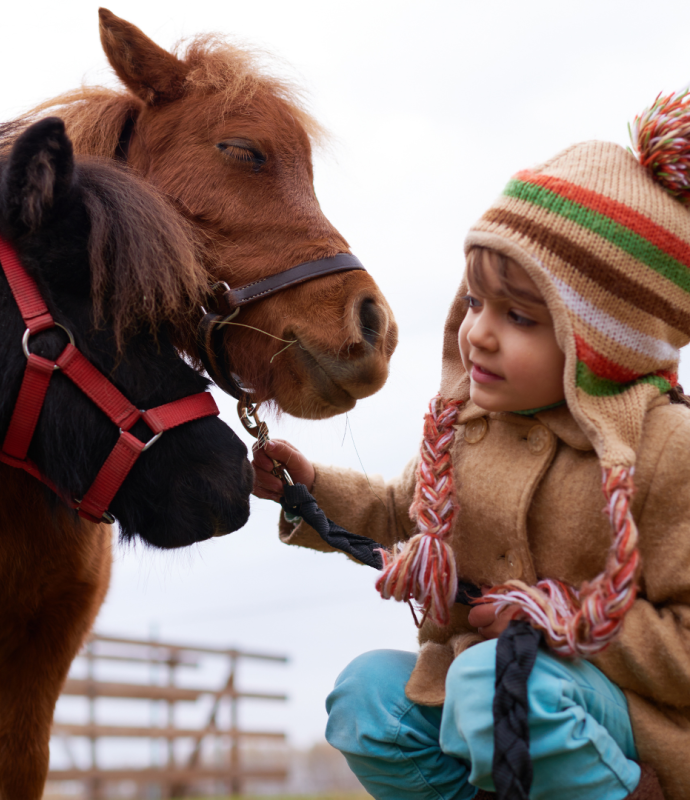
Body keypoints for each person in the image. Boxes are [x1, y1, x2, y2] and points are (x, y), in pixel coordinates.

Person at [252, 92, 690, 800]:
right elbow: (401, 511)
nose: (478, 332)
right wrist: (310, 490)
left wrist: (558, 618)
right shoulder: (468, 429)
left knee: (493, 682)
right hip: (477, 701)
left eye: (519, 315)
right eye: (477, 302)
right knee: (366, 698)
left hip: (617, 722)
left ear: (603, 341)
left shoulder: (665, 450)